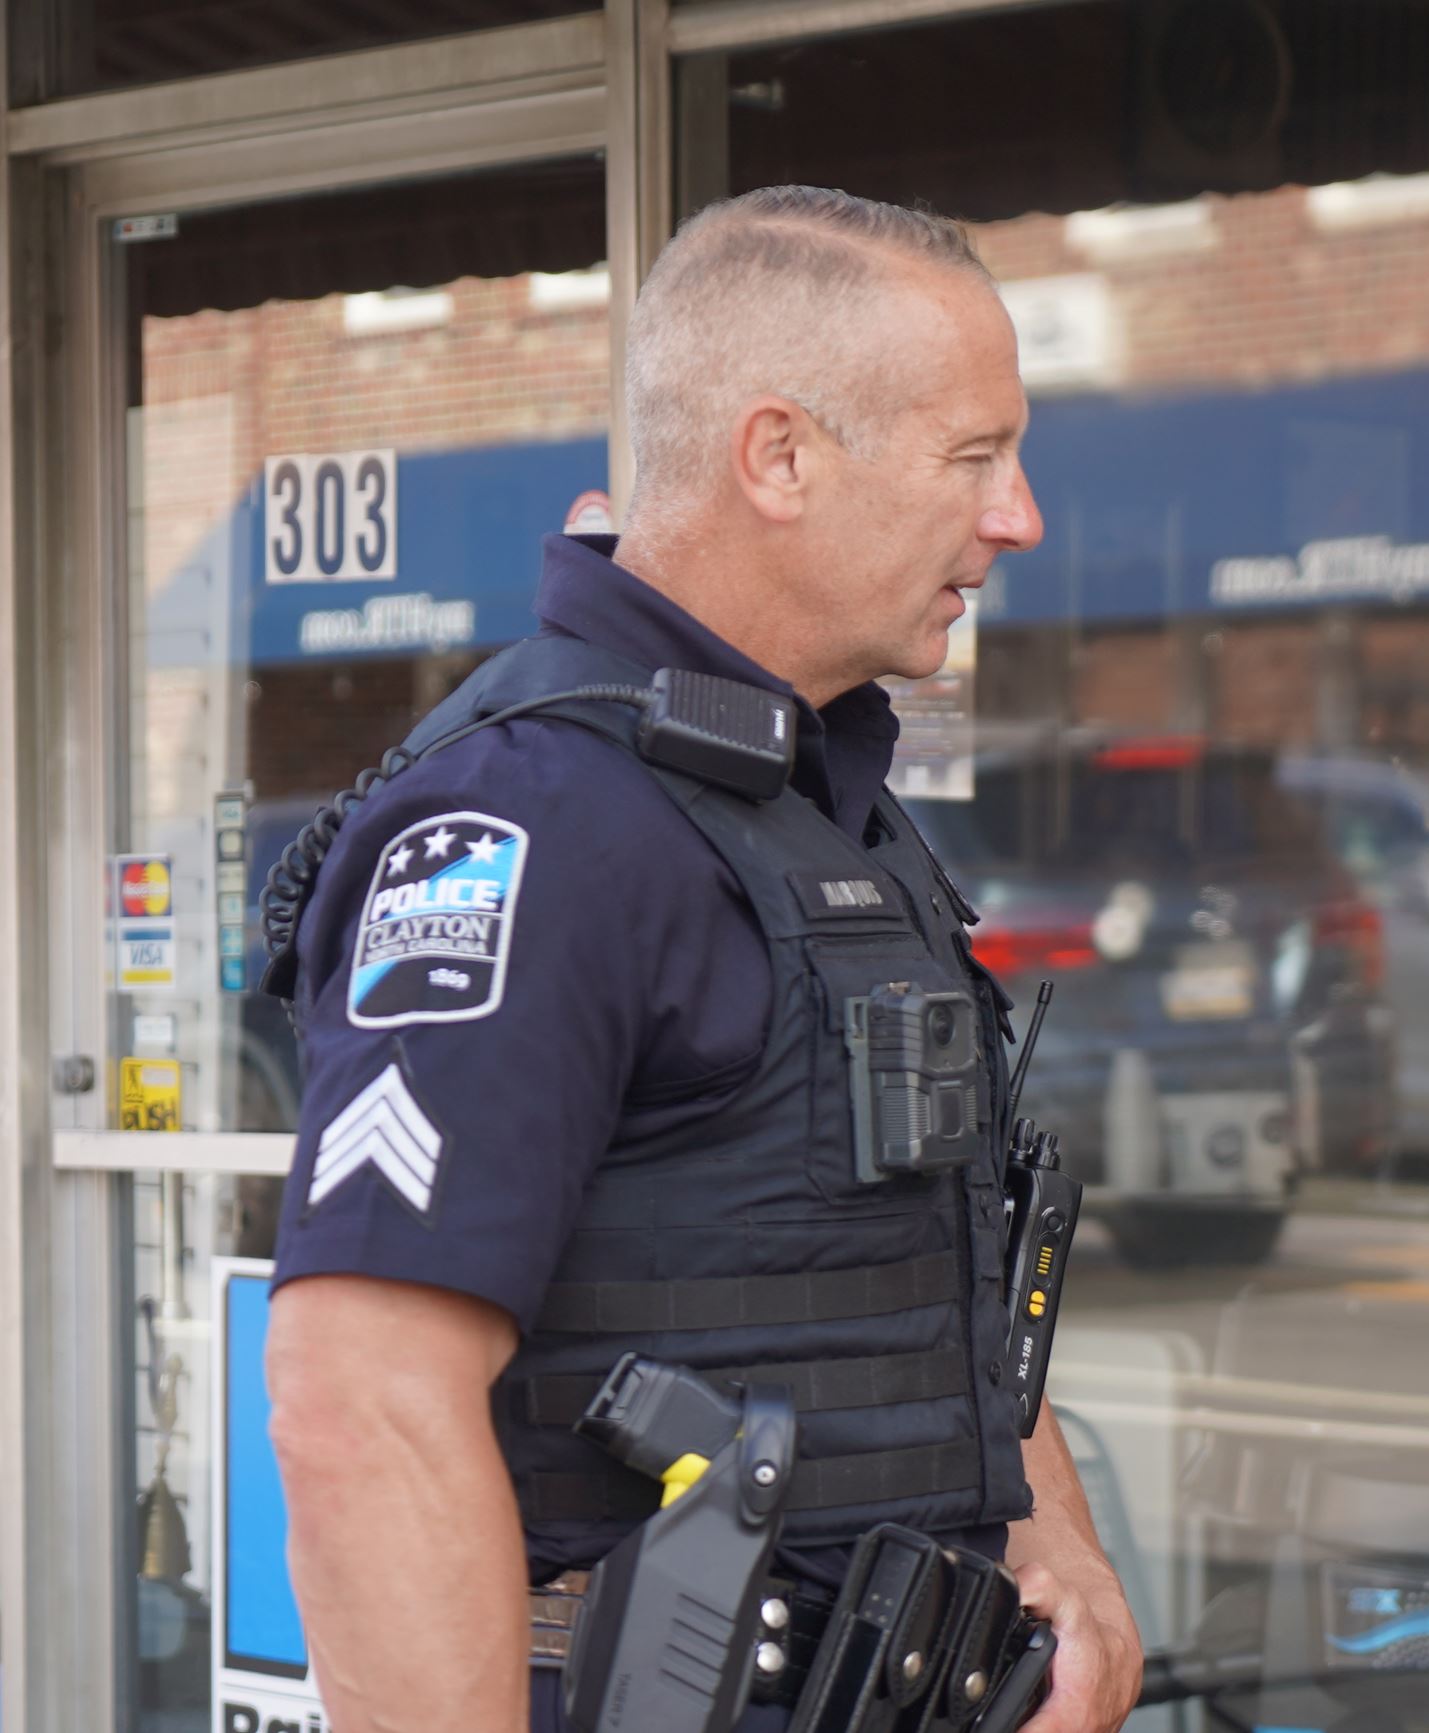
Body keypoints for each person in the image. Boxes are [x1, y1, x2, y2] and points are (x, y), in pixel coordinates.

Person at [261, 187, 1142, 1733]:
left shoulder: (818, 804)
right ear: (780, 456)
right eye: (973, 457)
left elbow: (915, 1264)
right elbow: (362, 1405)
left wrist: (1045, 1528)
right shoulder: (528, 819)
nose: (1019, 517)